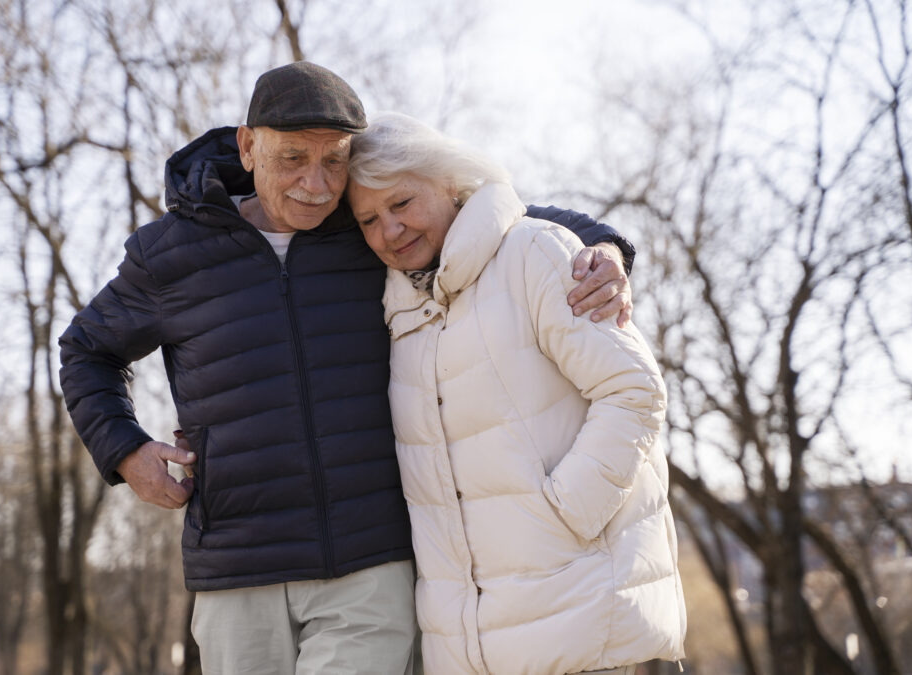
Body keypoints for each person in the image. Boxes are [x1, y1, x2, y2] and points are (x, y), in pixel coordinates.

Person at [58, 62, 635, 675]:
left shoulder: (370, 227)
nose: (316, 183)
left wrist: (604, 250)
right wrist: (126, 451)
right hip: (237, 567)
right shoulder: (170, 253)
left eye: (334, 160)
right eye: (293, 159)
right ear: (248, 146)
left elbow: (497, 218)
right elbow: (87, 351)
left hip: (371, 564)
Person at [346, 112, 686, 675]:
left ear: (450, 183)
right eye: (368, 221)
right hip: (474, 654)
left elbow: (634, 390)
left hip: (585, 632)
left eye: (402, 204)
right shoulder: (400, 314)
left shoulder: (535, 254)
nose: (389, 231)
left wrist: (565, 514)